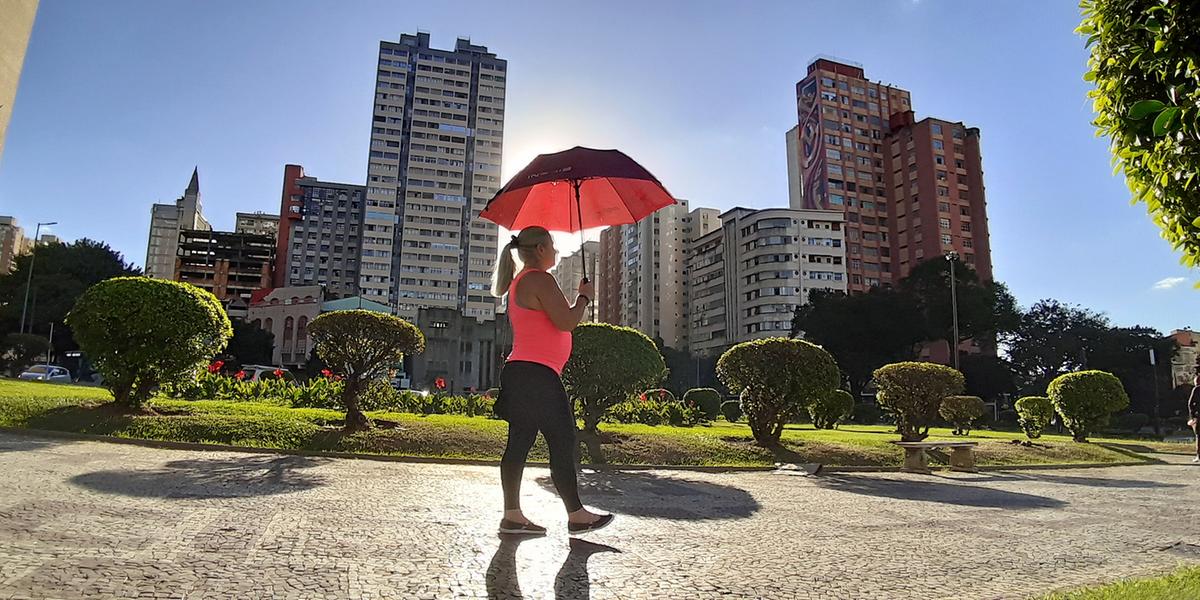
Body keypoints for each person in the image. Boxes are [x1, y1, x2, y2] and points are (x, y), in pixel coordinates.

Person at [491, 226, 614, 536]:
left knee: (520, 442)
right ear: (542, 249)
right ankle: (577, 515)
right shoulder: (538, 279)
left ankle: (513, 516)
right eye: (554, 246)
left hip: (523, 372)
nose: (557, 252)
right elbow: (567, 321)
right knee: (562, 440)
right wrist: (584, 298)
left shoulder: (522, 281)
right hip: (537, 374)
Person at [1189, 375, 1199, 463]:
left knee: (1198, 436)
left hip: (1198, 415)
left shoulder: (1196, 390)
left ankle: (1198, 455)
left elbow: (1190, 403)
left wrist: (1193, 416)